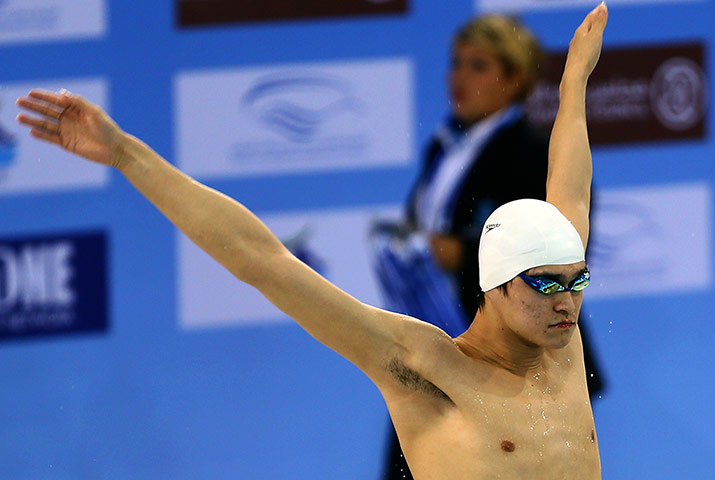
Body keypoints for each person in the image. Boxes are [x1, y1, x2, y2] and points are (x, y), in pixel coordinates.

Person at [16, 4, 608, 478]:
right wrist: (125, 153)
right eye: (547, 285)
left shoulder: (562, 346)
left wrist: (574, 86)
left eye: (576, 281)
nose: (567, 303)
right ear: (495, 287)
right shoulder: (423, 367)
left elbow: (569, 191)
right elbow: (262, 261)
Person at [381, 11, 605, 479]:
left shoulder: (526, 149)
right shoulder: (443, 147)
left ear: (514, 77)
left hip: (514, 344)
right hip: (446, 345)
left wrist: (574, 84)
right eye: (456, 63)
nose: (459, 77)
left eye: (478, 66)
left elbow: (565, 227)